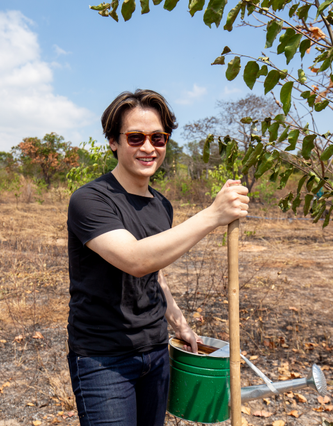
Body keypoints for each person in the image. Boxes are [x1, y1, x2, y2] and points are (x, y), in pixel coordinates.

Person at [66, 89, 249, 426]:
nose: (148, 147)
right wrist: (211, 216)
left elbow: (154, 276)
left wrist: (180, 325)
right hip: (103, 359)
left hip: (155, 351)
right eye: (135, 137)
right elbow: (136, 260)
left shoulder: (162, 205)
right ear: (113, 141)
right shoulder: (90, 200)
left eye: (158, 137)